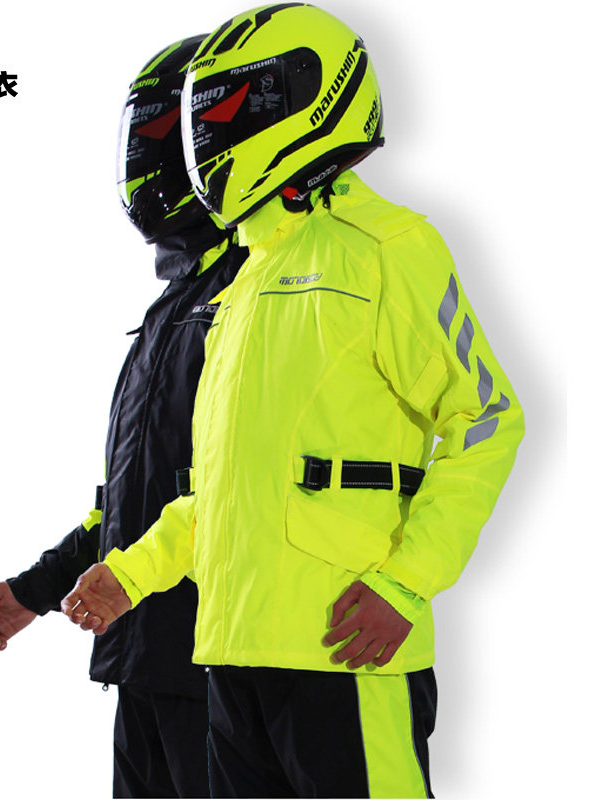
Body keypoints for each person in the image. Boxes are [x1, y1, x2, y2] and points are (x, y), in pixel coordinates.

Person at [62, 5, 525, 799]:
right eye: (204, 118)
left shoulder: (388, 248)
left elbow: (486, 420)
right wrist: (131, 574)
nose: (209, 136)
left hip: (346, 652)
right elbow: (225, 493)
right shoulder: (242, 285)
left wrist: (405, 583)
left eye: (228, 111)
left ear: (303, 97)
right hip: (232, 654)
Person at [0, 35, 247, 798]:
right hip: (145, 664)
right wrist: (34, 590)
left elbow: (247, 492)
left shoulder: (254, 297)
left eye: (162, 138)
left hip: (223, 671)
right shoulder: (174, 313)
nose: (145, 164)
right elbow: (129, 507)